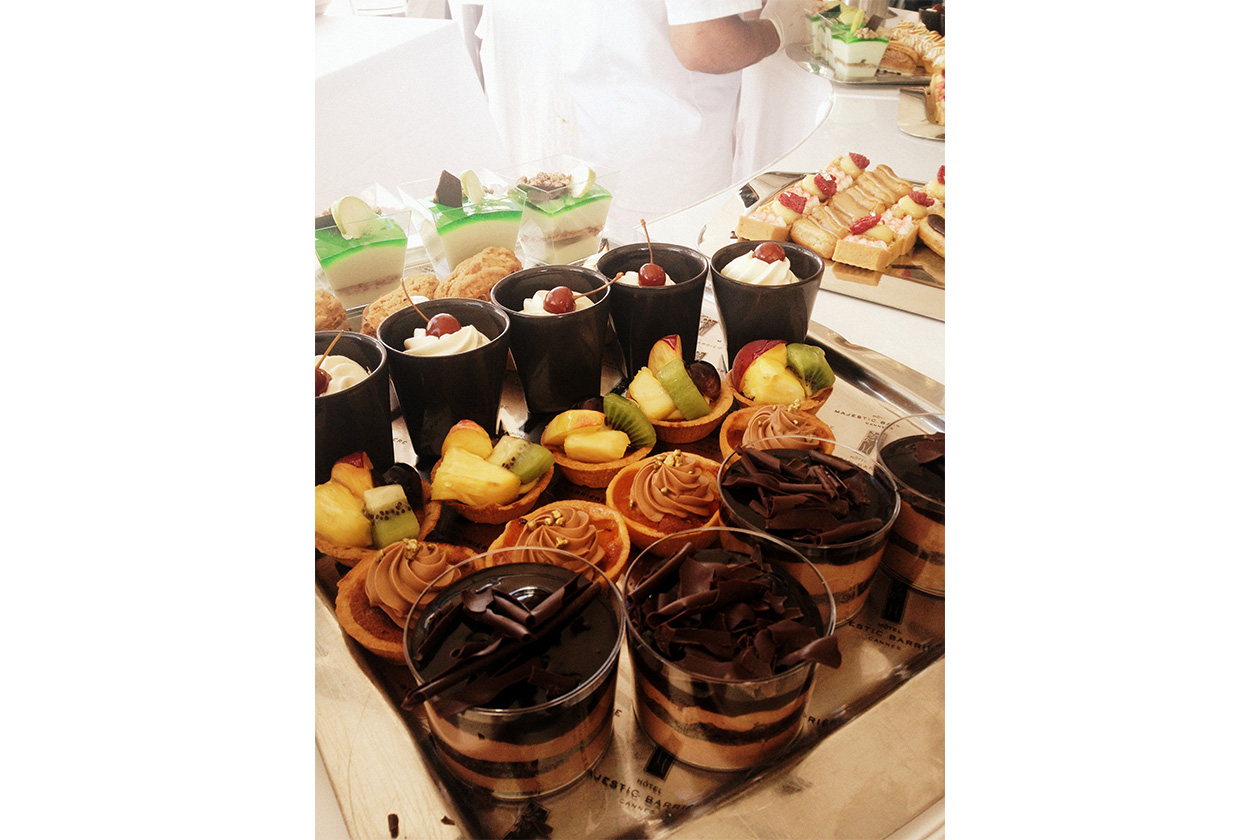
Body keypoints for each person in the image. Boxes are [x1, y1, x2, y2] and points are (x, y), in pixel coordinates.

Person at [559, 1, 787, 242]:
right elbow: (702, 43)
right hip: (670, 150)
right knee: (671, 254)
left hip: (610, 125)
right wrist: (779, 28)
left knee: (622, 252)